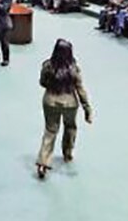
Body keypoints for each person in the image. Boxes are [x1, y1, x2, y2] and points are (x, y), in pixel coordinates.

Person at [35, 39, 93, 180]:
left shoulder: (47, 66)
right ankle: (67, 153)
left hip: (50, 101)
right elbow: (80, 89)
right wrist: (87, 108)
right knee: (70, 127)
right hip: (70, 103)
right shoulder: (74, 69)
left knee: (50, 130)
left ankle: (43, 163)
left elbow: (42, 82)